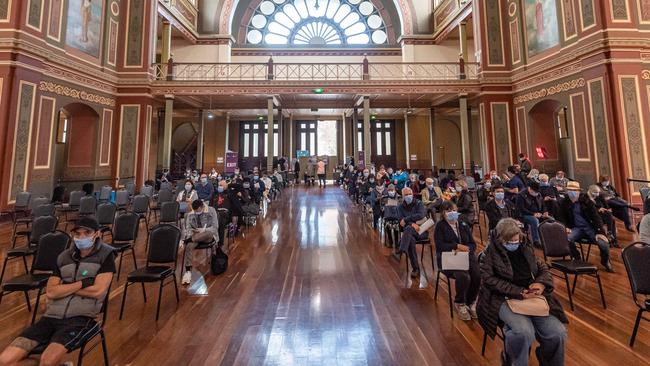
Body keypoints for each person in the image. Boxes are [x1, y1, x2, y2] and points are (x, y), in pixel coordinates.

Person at [0, 217, 115, 366]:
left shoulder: (106, 255)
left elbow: (98, 291)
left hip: (80, 319)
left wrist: (65, 287)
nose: (81, 237)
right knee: (4, 361)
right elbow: (51, 292)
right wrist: (81, 284)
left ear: (97, 234)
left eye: (86, 233)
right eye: (77, 234)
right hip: (50, 317)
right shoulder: (63, 257)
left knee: (47, 361)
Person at [477, 218, 568, 366]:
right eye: (510, 242)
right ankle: (512, 361)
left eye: (516, 240)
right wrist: (519, 292)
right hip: (502, 298)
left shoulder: (525, 246)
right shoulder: (489, 254)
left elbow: (542, 268)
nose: (514, 244)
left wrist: (541, 284)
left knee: (557, 333)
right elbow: (489, 280)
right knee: (523, 332)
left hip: (531, 296)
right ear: (500, 239)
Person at [434, 201, 480, 321]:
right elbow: (439, 245)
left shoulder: (463, 224)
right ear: (443, 213)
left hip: (465, 256)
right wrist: (456, 246)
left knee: (477, 274)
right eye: (448, 211)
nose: (452, 213)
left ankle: (471, 301)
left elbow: (472, 244)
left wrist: (468, 249)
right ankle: (460, 302)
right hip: (449, 259)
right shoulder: (440, 226)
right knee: (464, 276)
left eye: (453, 210)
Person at [556, 182, 613, 272]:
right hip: (576, 228)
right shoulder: (565, 202)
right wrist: (565, 227)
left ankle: (605, 261)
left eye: (574, 190)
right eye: (570, 190)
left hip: (590, 228)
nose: (572, 192)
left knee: (604, 244)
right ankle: (577, 257)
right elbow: (560, 217)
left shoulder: (586, 201)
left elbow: (596, 217)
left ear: (579, 191)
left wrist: (600, 232)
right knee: (566, 239)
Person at [181, 199, 219, 285]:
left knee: (208, 233)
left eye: (198, 211)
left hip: (208, 235)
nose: (196, 213)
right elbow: (188, 228)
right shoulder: (190, 214)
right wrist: (192, 233)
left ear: (202, 207)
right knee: (189, 246)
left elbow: (215, 227)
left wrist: (204, 229)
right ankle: (188, 272)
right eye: (195, 211)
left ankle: (187, 240)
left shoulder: (211, 210)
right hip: (195, 236)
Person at [396, 187, 427, 277]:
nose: (408, 196)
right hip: (409, 233)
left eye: (410, 193)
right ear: (402, 196)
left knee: (408, 230)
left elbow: (421, 215)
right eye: (406, 194)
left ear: (412, 194)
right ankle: (416, 268)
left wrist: (407, 219)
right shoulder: (400, 207)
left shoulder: (419, 203)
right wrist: (412, 224)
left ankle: (401, 249)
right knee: (410, 239)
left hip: (421, 230)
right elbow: (400, 221)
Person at [516, 180, 549, 247]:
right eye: (534, 192)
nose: (536, 194)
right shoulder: (521, 195)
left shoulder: (538, 194)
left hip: (538, 213)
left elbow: (543, 205)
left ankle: (549, 240)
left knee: (551, 219)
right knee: (534, 220)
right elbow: (521, 209)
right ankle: (536, 241)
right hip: (524, 215)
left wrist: (545, 212)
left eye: (537, 192)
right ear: (529, 189)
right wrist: (533, 214)